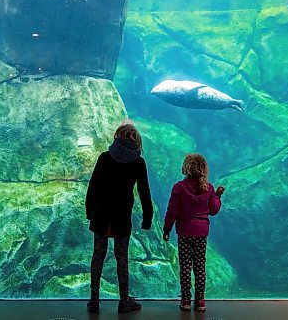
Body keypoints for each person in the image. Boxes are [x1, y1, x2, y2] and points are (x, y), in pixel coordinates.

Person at [85, 120, 153, 314]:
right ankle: (124, 300)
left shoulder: (105, 158)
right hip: (122, 216)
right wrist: (147, 218)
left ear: (117, 137)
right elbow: (144, 192)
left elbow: (93, 188)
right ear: (137, 142)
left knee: (98, 256)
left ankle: (94, 300)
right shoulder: (138, 162)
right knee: (121, 258)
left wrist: (90, 212)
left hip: (101, 215)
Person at [162, 153, 225, 312]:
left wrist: (167, 228)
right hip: (201, 233)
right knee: (199, 266)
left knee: (185, 266)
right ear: (204, 169)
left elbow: (172, 211)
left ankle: (185, 300)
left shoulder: (179, 188)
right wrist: (217, 196)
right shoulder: (209, 188)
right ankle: (200, 301)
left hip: (184, 232)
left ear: (186, 168)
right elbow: (213, 210)